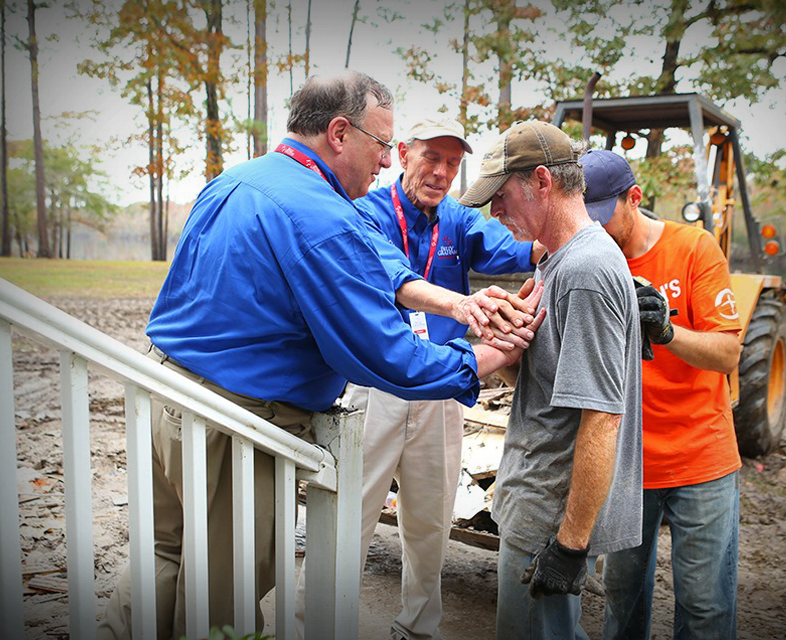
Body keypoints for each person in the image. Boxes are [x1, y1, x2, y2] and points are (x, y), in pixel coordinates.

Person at [97, 71, 542, 640]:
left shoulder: (236, 181)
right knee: (225, 593)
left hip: (164, 396)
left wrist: (455, 306)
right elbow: (387, 358)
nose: (384, 162)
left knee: (166, 557)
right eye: (382, 145)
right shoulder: (324, 216)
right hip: (232, 423)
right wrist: (485, 355)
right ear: (339, 133)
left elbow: (374, 267)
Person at [299, 115, 545, 640]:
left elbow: (519, 248)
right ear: (404, 153)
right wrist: (462, 306)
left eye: (453, 163)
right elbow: (392, 276)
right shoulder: (364, 212)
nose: (441, 172)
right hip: (376, 382)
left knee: (431, 518)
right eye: (432, 157)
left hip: (441, 381)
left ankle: (418, 628)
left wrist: (574, 238)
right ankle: (313, 621)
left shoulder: (457, 219)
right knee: (351, 511)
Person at [458, 122, 644, 640]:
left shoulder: (585, 269)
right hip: (533, 500)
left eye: (501, 195)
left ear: (542, 181)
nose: (495, 211)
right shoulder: (553, 261)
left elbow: (603, 418)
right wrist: (507, 344)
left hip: (548, 515)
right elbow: (541, 381)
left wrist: (569, 546)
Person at [580, 149, 743, 640]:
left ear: (635, 198)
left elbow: (727, 352)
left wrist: (668, 332)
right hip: (628, 463)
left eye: (604, 218)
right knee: (622, 602)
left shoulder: (695, 248)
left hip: (701, 459)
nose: (597, 230)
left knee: (705, 606)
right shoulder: (591, 257)